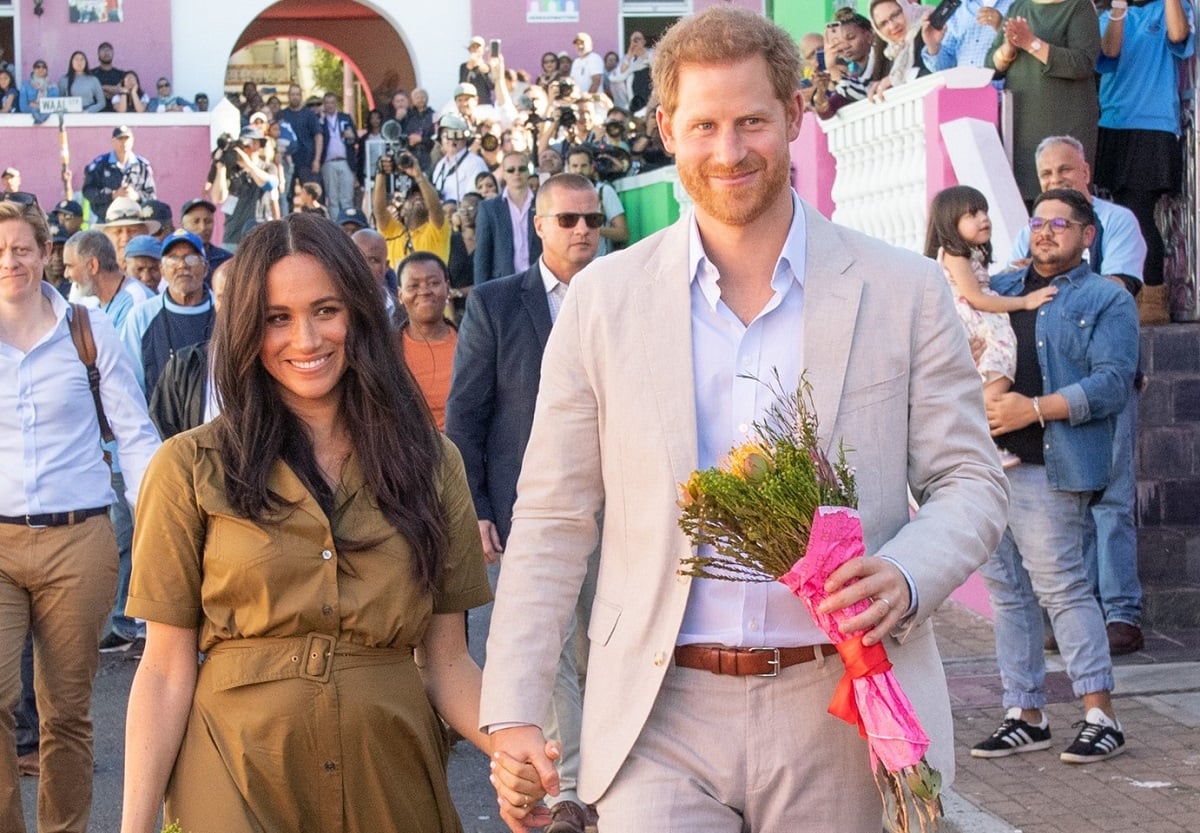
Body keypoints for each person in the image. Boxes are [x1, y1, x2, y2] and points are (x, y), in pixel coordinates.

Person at [480, 8, 1008, 833]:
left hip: (838, 706)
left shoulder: (902, 289)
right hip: (658, 714)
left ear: (796, 116)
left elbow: (971, 481)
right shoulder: (603, 301)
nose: (729, 152)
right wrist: (513, 705)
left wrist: (905, 572)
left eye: (752, 121)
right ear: (666, 129)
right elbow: (551, 514)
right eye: (704, 126)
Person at [118, 212, 543, 833]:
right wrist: (134, 827)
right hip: (233, 778)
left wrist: (512, 747)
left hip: (390, 778)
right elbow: (163, 668)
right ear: (246, 330)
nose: (306, 340)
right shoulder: (187, 466)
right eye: (277, 318)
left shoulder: (431, 462)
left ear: (360, 315)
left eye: (326, 310)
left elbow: (448, 663)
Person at [447, 173, 605, 833]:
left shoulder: (625, 296)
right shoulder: (495, 303)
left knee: (609, 645)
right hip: (529, 511)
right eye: (567, 219)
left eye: (593, 220)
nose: (582, 232)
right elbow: (467, 413)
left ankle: (607, 772)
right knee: (556, 647)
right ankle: (570, 791)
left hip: (621, 511)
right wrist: (477, 506)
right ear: (537, 225)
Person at [0, 198, 160, 833]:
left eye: (20, 248)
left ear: (46, 254)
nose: (9, 260)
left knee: (66, 710)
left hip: (80, 539)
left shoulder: (86, 329)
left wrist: (158, 525)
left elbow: (137, 435)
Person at [974, 188, 1137, 764]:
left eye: (1060, 223)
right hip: (987, 467)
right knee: (1008, 595)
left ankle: (1101, 715)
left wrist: (1033, 408)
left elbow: (1114, 383)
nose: (1045, 231)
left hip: (1050, 464)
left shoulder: (1106, 299)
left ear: (1088, 235)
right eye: (1038, 222)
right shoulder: (1000, 292)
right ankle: (1026, 713)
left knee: (1062, 588)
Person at [1009, 134, 1148, 655]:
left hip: (1097, 387)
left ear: (1085, 171)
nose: (1055, 183)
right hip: (1046, 395)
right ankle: (1081, 611)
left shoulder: (1115, 222)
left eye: (1064, 172)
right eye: (1046, 176)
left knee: (1110, 502)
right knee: (1066, 501)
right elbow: (1011, 290)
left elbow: (1117, 286)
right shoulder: (1040, 228)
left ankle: (1121, 615)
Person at [925, 185, 1057, 468]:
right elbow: (976, 297)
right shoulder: (954, 254)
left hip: (978, 319)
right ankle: (982, 441)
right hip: (973, 322)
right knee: (998, 372)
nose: (983, 218)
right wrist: (1025, 302)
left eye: (984, 210)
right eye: (972, 214)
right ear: (950, 222)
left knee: (996, 374)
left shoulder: (968, 254)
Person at [1094, 0, 1193, 320]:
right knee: (1121, 213)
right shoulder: (1108, 15)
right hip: (1113, 124)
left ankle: (1153, 296)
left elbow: (1178, 36)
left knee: (1138, 213)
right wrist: (1119, 10)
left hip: (1153, 125)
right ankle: (1130, 295)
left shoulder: (1169, 9)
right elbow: (1109, 51)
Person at [986, 0, 1101, 203]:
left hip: (1066, 123)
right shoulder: (1018, 8)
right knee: (1025, 202)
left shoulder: (1079, 7)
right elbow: (990, 66)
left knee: (1067, 202)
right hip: (1022, 127)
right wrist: (1008, 48)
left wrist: (1031, 43)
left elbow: (1082, 63)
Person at [120, 229, 214, 398]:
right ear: (162, 270)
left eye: (191, 258)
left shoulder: (224, 310)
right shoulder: (141, 316)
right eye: (173, 259)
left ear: (205, 268)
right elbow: (130, 383)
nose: (182, 265)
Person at [148, 260, 231, 439]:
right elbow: (164, 436)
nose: (231, 307)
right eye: (223, 298)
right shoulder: (185, 365)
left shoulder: (279, 361)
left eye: (239, 296)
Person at [398, 252, 457, 429]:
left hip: (463, 451)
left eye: (433, 283)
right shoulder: (386, 352)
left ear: (447, 288)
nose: (424, 291)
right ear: (400, 295)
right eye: (413, 285)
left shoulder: (473, 343)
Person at [473, 151, 540, 284]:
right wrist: (480, 295)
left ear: (529, 171)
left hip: (538, 280)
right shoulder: (489, 208)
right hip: (503, 283)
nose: (517, 173)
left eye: (522, 168)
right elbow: (482, 255)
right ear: (503, 173)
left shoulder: (542, 203)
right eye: (511, 170)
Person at [373, 150, 450, 266]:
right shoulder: (393, 231)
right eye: (412, 196)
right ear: (402, 210)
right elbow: (379, 210)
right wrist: (381, 173)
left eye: (422, 196)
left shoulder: (436, 230)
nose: (418, 198)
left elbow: (436, 208)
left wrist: (418, 175)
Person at [211, 125, 281, 248]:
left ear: (257, 145)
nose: (245, 148)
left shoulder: (268, 168)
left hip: (260, 237)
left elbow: (269, 184)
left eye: (249, 143)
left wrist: (249, 165)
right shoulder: (232, 171)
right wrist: (221, 166)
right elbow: (218, 198)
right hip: (233, 237)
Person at [83, 125, 158, 223]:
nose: (124, 143)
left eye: (127, 139)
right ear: (113, 142)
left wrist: (136, 196)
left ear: (132, 141)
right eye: (120, 139)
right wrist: (113, 195)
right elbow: (88, 192)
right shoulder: (100, 165)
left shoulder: (142, 166)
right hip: (106, 220)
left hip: (136, 220)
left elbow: (152, 196)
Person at [565, 146, 628, 256]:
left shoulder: (604, 191)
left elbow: (623, 233)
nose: (579, 170)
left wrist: (592, 228)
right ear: (568, 168)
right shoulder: (562, 196)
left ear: (591, 167)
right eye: (574, 166)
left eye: (583, 166)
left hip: (599, 264)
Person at [922, 0, 1015, 72]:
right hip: (964, 93)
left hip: (1006, 92)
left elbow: (1026, 48)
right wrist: (933, 45)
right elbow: (945, 69)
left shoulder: (1019, 4)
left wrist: (1001, 26)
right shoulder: (958, 9)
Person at [867, 0, 930, 99]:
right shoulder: (893, 52)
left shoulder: (930, 28)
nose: (893, 26)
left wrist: (896, 79)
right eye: (883, 24)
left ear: (906, 8)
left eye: (895, 15)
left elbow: (936, 70)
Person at [318, 92, 359, 220]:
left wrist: (351, 136)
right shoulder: (320, 119)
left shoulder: (345, 118)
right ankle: (335, 226)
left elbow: (356, 138)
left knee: (347, 196)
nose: (329, 105)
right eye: (327, 103)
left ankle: (348, 224)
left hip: (345, 161)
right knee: (332, 198)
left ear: (336, 104)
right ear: (324, 104)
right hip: (328, 162)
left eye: (332, 102)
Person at [277, 83, 323, 195]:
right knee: (286, 196)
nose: (295, 97)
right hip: (287, 162)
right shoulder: (282, 114)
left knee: (310, 195)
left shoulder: (309, 115)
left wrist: (316, 160)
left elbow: (319, 136)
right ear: (288, 96)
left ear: (301, 96)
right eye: (292, 94)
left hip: (307, 161)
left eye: (297, 94)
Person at [94, 196, 162, 271]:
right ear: (106, 237)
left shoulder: (160, 271)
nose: (125, 238)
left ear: (145, 234)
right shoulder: (97, 273)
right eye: (118, 232)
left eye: (132, 231)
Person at [179, 198, 233, 280]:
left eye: (208, 221)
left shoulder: (226, 260)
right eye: (196, 222)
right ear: (183, 226)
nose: (203, 227)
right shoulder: (175, 259)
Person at [90, 41, 125, 111]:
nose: (106, 53)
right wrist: (113, 90)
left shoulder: (121, 74)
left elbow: (123, 91)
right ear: (98, 54)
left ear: (113, 54)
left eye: (108, 50)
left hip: (117, 114)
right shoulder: (91, 74)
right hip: (95, 114)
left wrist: (100, 89)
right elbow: (90, 91)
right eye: (103, 50)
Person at [20, 59, 57, 123]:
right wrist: (42, 107)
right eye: (38, 67)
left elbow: (53, 106)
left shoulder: (53, 87)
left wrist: (35, 105)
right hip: (29, 121)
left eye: (44, 67)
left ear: (46, 70)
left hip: (49, 121)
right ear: (33, 70)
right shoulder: (25, 86)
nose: (41, 69)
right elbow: (23, 107)